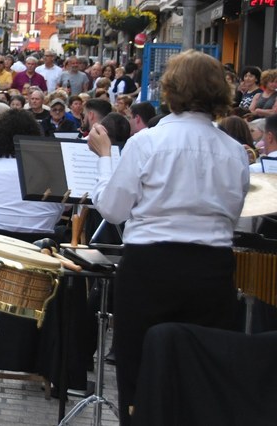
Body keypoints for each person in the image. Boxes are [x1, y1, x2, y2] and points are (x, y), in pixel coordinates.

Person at [87, 50, 247, 426]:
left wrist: (105, 158)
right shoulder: (234, 151)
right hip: (211, 269)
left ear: (171, 90)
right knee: (201, 369)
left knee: (139, 368)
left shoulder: (148, 142)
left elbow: (113, 209)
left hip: (151, 267)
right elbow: (232, 213)